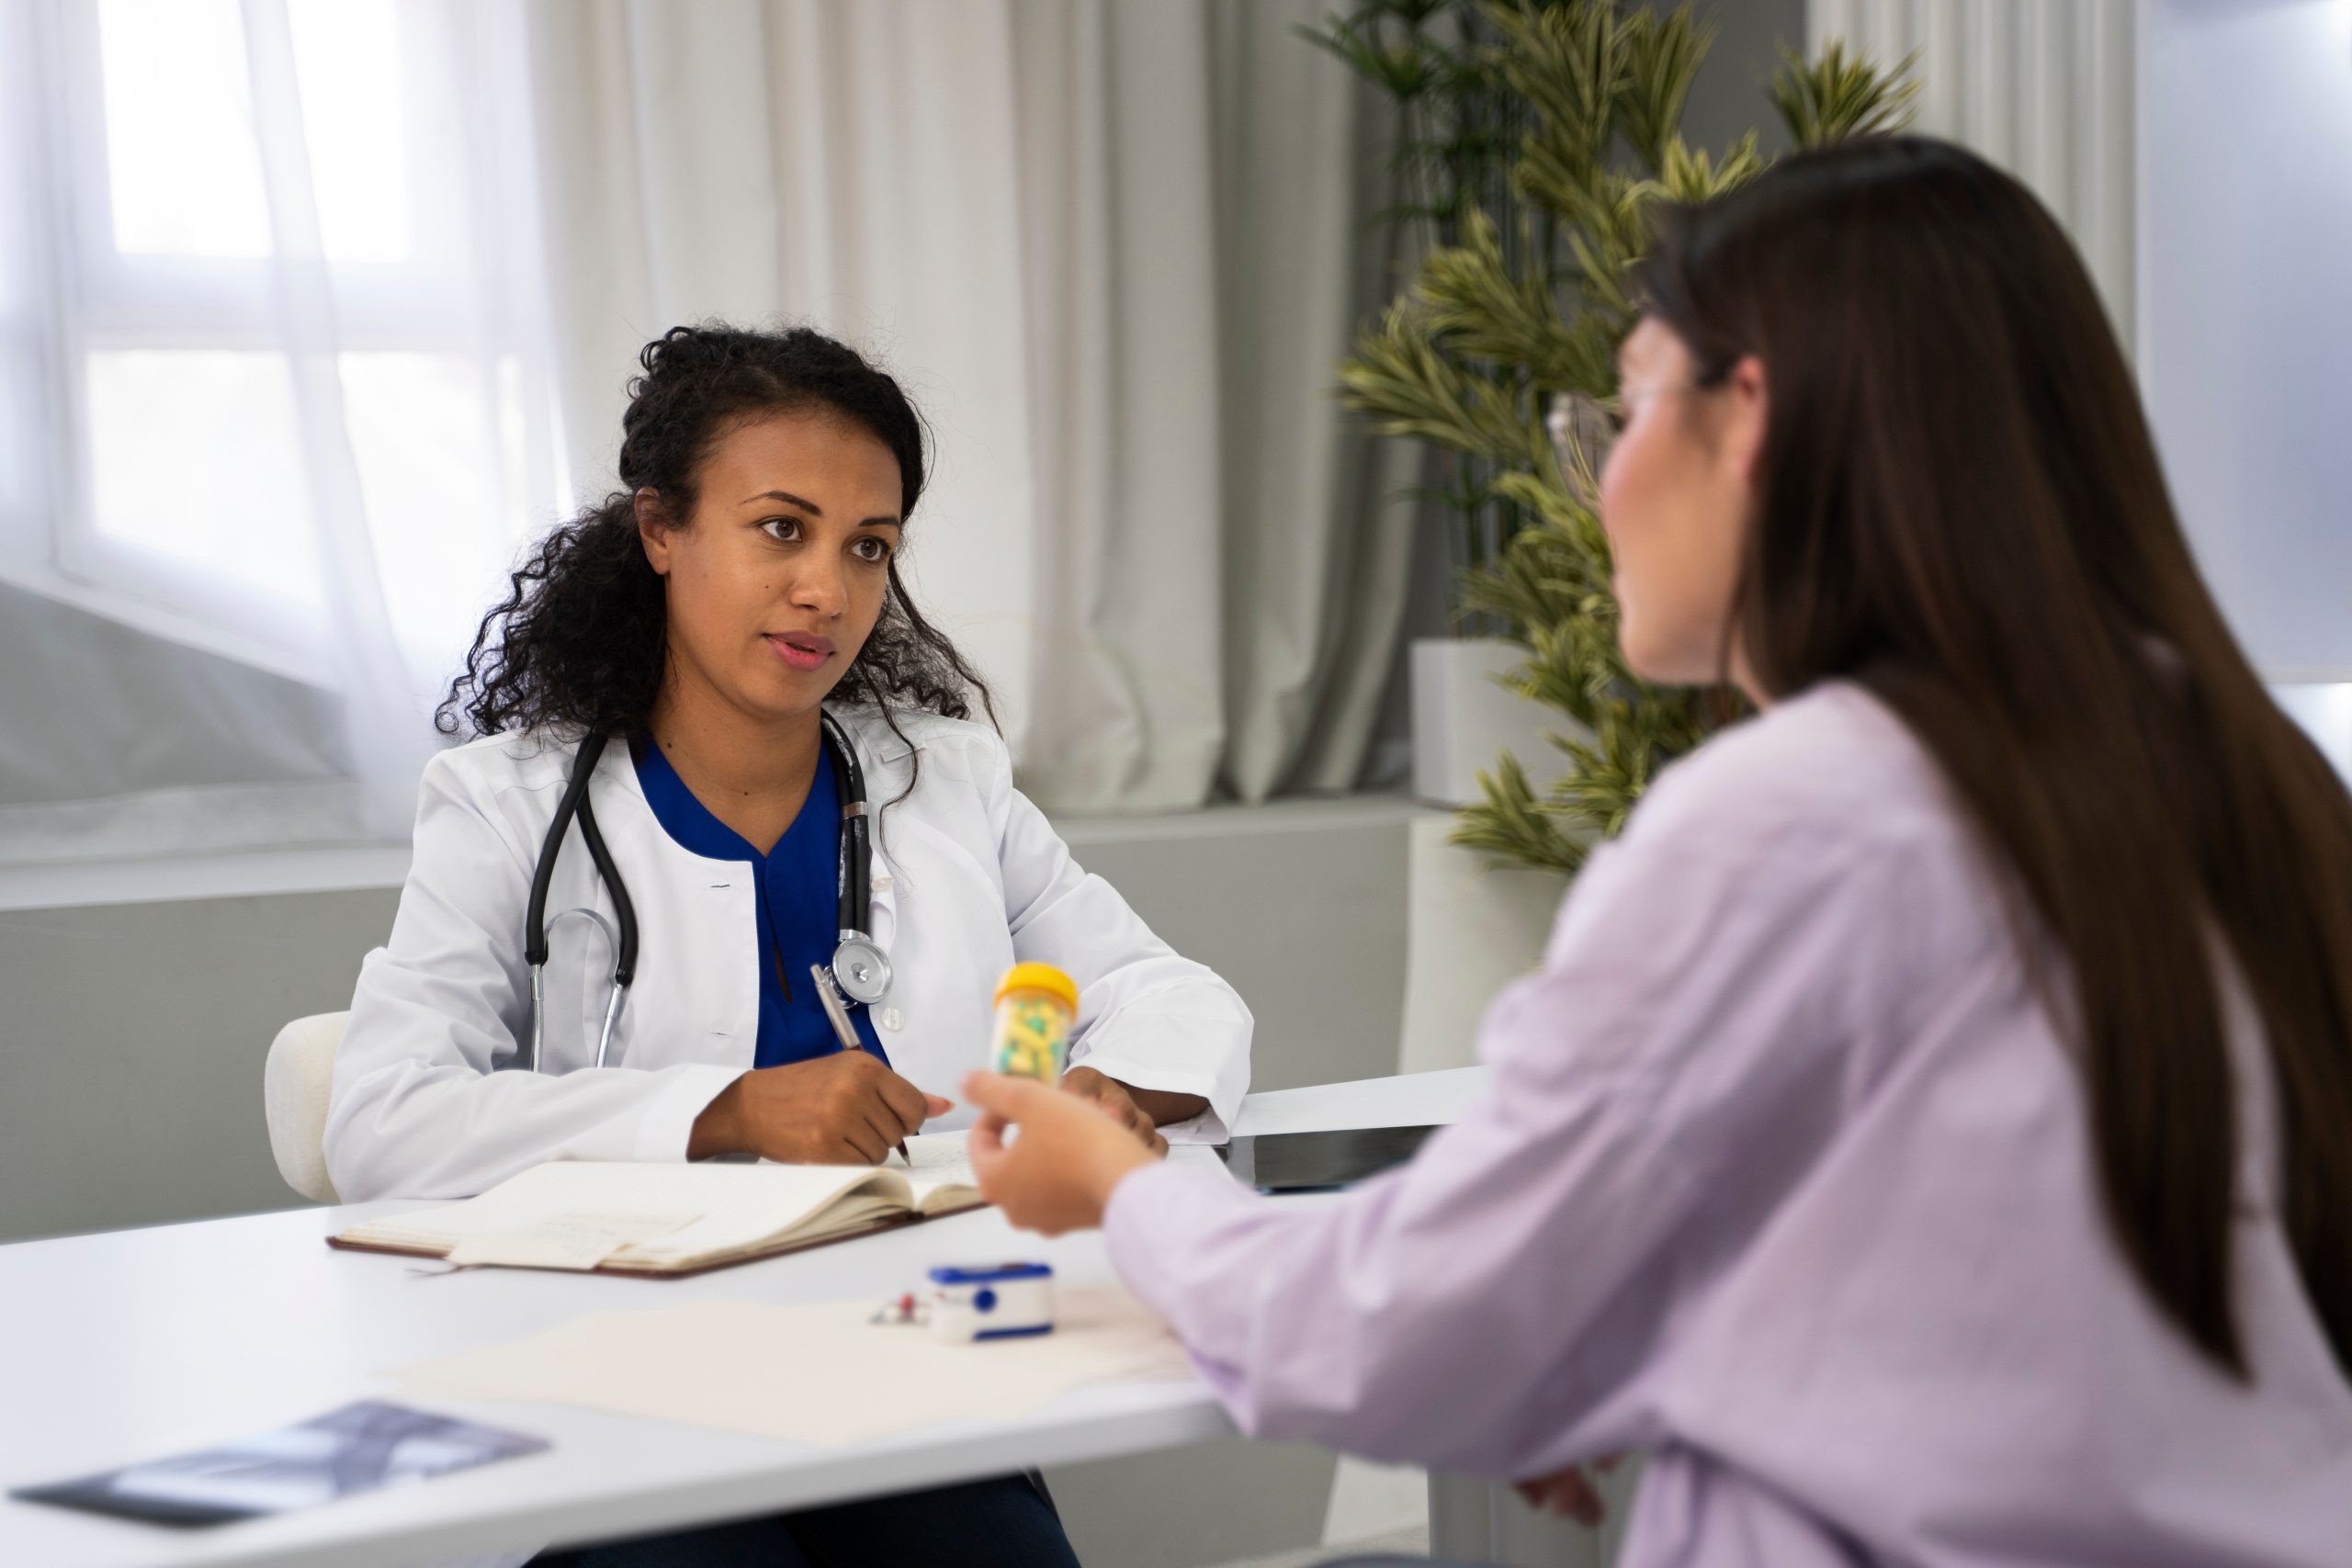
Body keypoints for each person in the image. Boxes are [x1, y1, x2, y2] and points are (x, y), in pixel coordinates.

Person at [961, 136, 2352, 1568]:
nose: (1597, 484)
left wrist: (1125, 1193)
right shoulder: (2243, 773)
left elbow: (1414, 1318)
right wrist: (1647, 1354)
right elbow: (1989, 1262)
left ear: (1746, 417)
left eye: (1614, 417)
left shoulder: (1800, 813)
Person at [325, 322, 1252, 1566]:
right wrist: (729, 1111)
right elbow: (384, 1119)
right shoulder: (506, 805)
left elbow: (1163, 989)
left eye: (868, 547)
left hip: (905, 1371)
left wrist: (1108, 1089)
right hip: (617, 1391)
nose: (829, 587)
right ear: (662, 531)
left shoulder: (944, 783)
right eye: (782, 528)